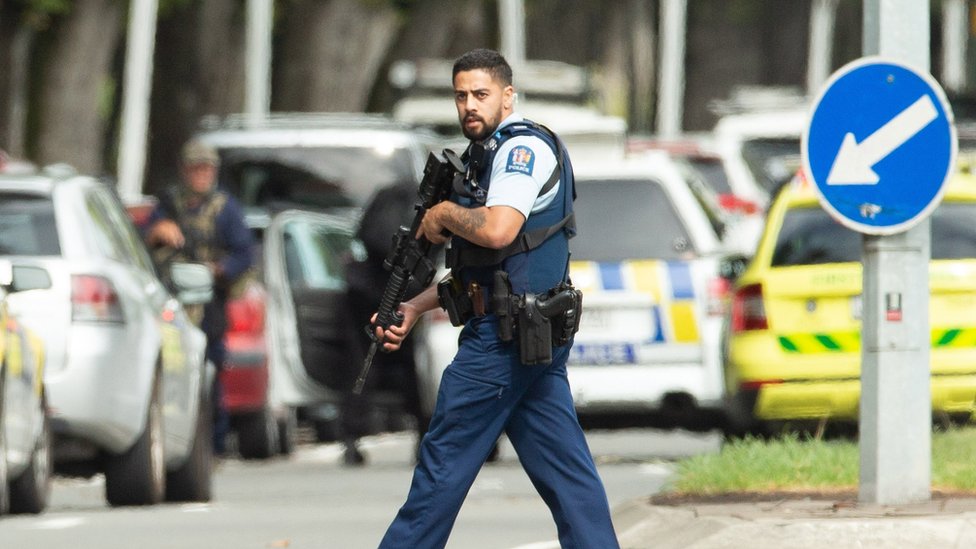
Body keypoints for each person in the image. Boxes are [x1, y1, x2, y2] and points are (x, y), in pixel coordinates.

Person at [373, 48, 619, 548]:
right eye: (461, 95)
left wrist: (442, 214)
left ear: (508, 96)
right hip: (528, 334)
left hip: (502, 345)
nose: (469, 105)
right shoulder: (487, 154)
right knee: (568, 479)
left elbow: (500, 231)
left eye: (481, 94)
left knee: (441, 470)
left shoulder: (519, 151)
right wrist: (418, 305)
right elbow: (487, 275)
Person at [144, 139, 254, 456]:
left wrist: (218, 270)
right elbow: (145, 239)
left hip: (208, 304)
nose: (201, 175)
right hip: (172, 301)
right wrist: (157, 231)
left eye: (206, 169)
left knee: (210, 372)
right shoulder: (168, 205)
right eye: (195, 169)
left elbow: (244, 253)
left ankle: (213, 445)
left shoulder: (225, 209)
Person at [338, 180, 431, 466]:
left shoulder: (386, 200)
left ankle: (353, 438)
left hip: (374, 295)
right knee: (413, 370)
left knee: (364, 366)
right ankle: (424, 433)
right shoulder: (419, 205)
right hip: (402, 296)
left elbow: (364, 235)